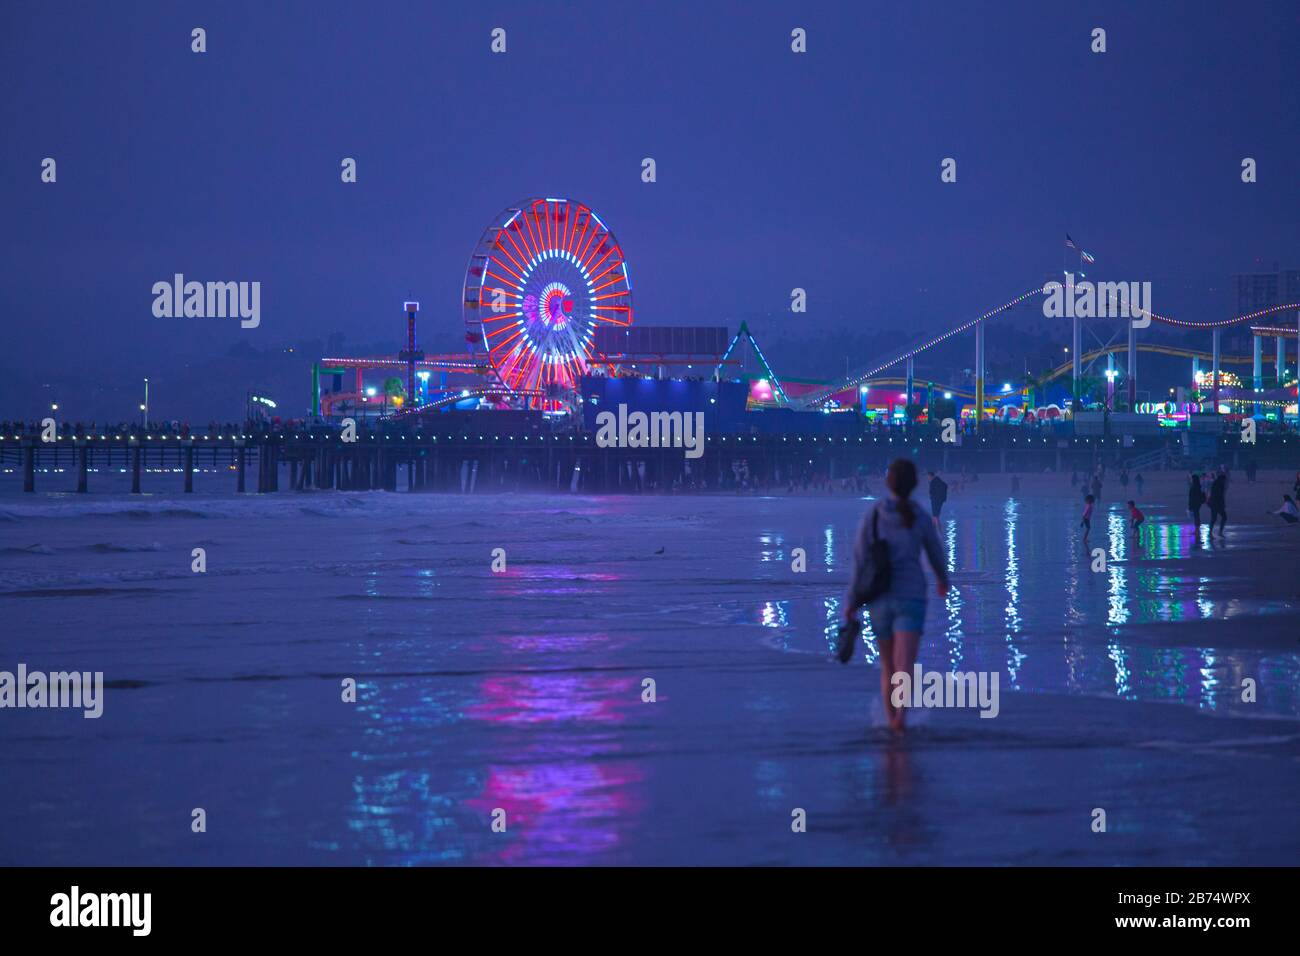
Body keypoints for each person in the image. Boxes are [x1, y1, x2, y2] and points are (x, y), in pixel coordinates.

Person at [842, 459, 950, 734]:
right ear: (914, 484)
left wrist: (852, 601)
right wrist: (942, 580)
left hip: (879, 598)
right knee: (905, 665)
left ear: (888, 483)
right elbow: (935, 551)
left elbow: (859, 559)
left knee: (887, 665)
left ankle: (892, 723)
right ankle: (901, 717)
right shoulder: (919, 516)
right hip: (912, 596)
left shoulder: (874, 515)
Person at [1208, 469, 1227, 536]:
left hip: (1214, 504)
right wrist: (1222, 504)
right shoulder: (1219, 485)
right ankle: (1219, 532)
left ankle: (1211, 532)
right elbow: (1219, 496)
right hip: (1217, 504)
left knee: (1214, 518)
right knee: (1223, 517)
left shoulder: (1216, 483)